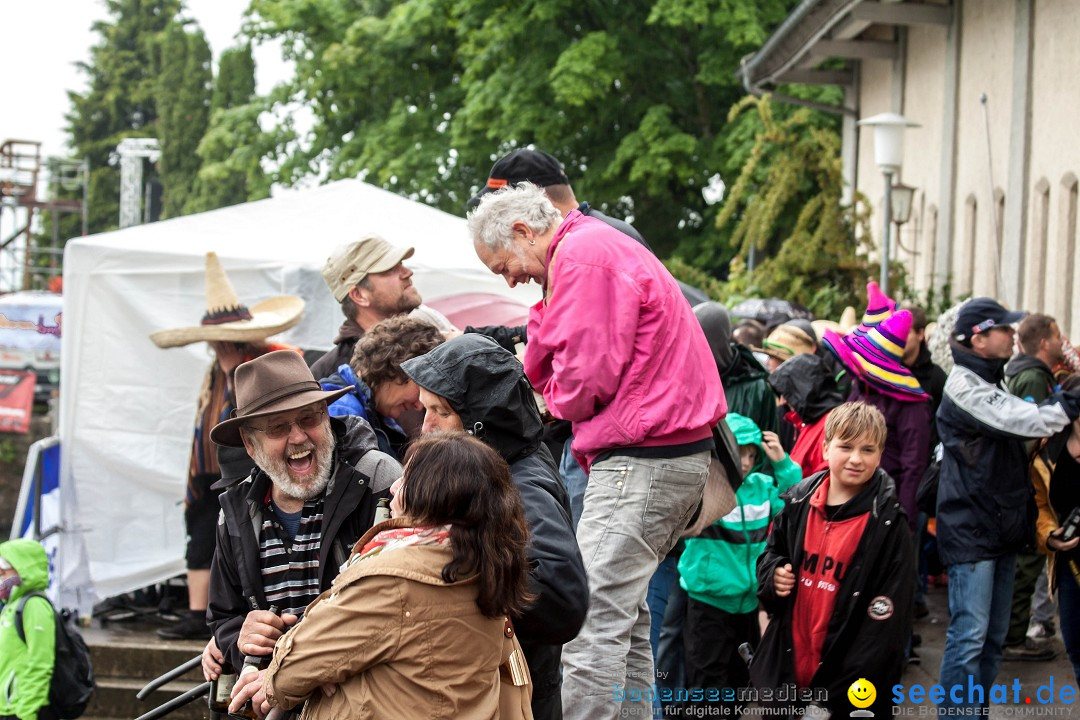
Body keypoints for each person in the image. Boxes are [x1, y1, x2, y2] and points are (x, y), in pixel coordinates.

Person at [469, 183, 725, 720]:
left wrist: (549, 393)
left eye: (502, 266)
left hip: (645, 456)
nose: (510, 279)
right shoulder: (592, 250)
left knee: (591, 627)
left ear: (522, 232)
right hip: (659, 453)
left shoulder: (583, 256)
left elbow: (583, 382)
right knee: (623, 622)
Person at [229, 432, 534, 719]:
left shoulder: (396, 578)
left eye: (406, 479)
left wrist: (305, 673)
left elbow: (301, 661)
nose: (393, 487)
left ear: (433, 493)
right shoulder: (483, 563)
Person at [401, 333, 589, 720]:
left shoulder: (522, 484)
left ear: (480, 424)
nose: (427, 427)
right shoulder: (496, 467)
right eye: (425, 410)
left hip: (519, 695)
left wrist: (463, 573)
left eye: (440, 412)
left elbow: (562, 598)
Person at [203, 350, 401, 674]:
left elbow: (402, 606)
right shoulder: (235, 511)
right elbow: (224, 616)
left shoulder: (378, 483)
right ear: (250, 444)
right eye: (278, 428)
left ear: (325, 414)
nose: (298, 437)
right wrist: (243, 636)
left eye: (309, 419)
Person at [149, 251, 304, 640]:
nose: (221, 350)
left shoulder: (266, 365)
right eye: (217, 344)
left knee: (235, 542)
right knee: (200, 539)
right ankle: (197, 612)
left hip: (244, 471)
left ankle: (220, 616)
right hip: (206, 471)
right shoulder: (214, 375)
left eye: (228, 343)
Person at [936, 299, 1080, 713]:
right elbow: (1026, 421)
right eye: (1003, 329)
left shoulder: (991, 379)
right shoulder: (963, 385)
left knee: (993, 638)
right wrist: (1070, 403)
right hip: (973, 530)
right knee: (969, 638)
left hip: (998, 528)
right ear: (978, 339)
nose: (1012, 336)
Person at [753, 402, 914, 717]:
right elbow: (769, 556)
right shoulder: (797, 503)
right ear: (826, 448)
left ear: (880, 454)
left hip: (850, 692)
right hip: (790, 674)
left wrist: (831, 700)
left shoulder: (890, 525)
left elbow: (884, 625)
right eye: (846, 446)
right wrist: (774, 574)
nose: (856, 458)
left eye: (867, 449)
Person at [679, 413, 801, 710]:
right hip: (709, 602)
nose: (745, 462)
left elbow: (794, 503)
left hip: (747, 603)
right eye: (737, 452)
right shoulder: (706, 485)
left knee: (740, 682)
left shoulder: (761, 486)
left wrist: (782, 463)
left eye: (750, 454)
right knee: (708, 685)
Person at [1001, 313, 1065, 661]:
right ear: (1044, 342)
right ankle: (1013, 635)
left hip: (1031, 484)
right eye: (1057, 336)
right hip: (1030, 485)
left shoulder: (1031, 374)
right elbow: (1030, 436)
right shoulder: (1032, 379)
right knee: (1027, 561)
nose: (1061, 341)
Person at [310, 234, 453, 381]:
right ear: (359, 295)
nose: (407, 272)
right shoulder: (329, 376)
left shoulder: (431, 328)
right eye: (390, 268)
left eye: (401, 263)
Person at [320, 315, 445, 458]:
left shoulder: (375, 412)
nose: (419, 406)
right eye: (422, 386)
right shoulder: (343, 412)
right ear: (396, 369)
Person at [1032, 375, 1080, 681]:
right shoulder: (1048, 450)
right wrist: (1049, 535)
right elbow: (1039, 505)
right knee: (1076, 645)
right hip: (1070, 561)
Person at [0, 540, 54, 720]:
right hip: (7, 707)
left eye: (5, 568)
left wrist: (27, 712)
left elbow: (41, 663)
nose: (0, 574)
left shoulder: (35, 605)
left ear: (24, 568)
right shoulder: (11, 605)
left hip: (20, 710)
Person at [768, 353, 846, 478]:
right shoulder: (811, 421)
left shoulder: (830, 426)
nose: (782, 401)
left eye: (789, 393)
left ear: (803, 390)